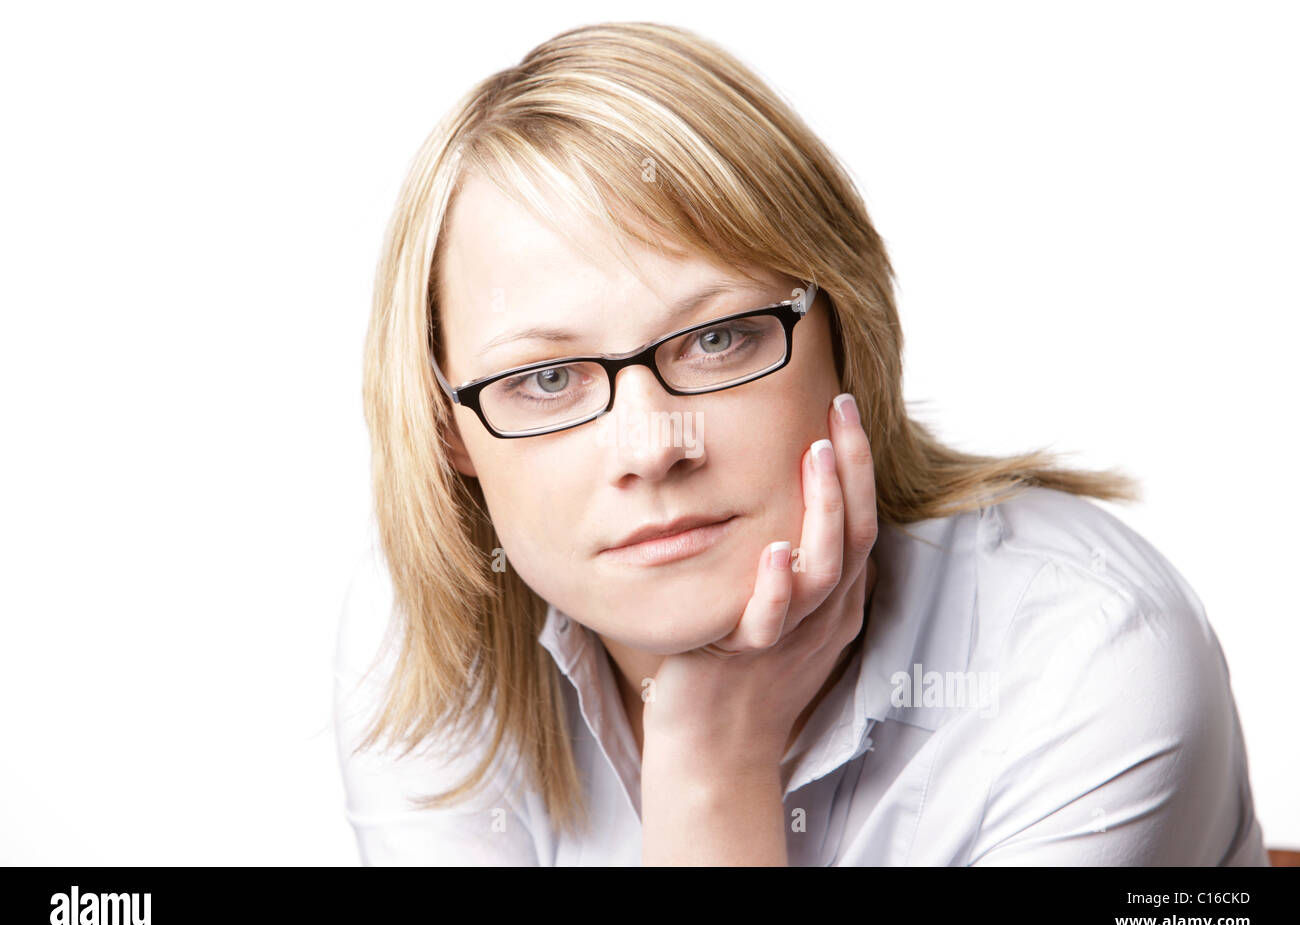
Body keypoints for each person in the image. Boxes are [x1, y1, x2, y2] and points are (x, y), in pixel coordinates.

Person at [333, 21, 1269, 865]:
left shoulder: (1084, 662)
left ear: (846, 336)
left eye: (716, 338)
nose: (652, 447)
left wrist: (711, 767)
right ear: (449, 428)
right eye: (545, 378)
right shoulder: (424, 639)